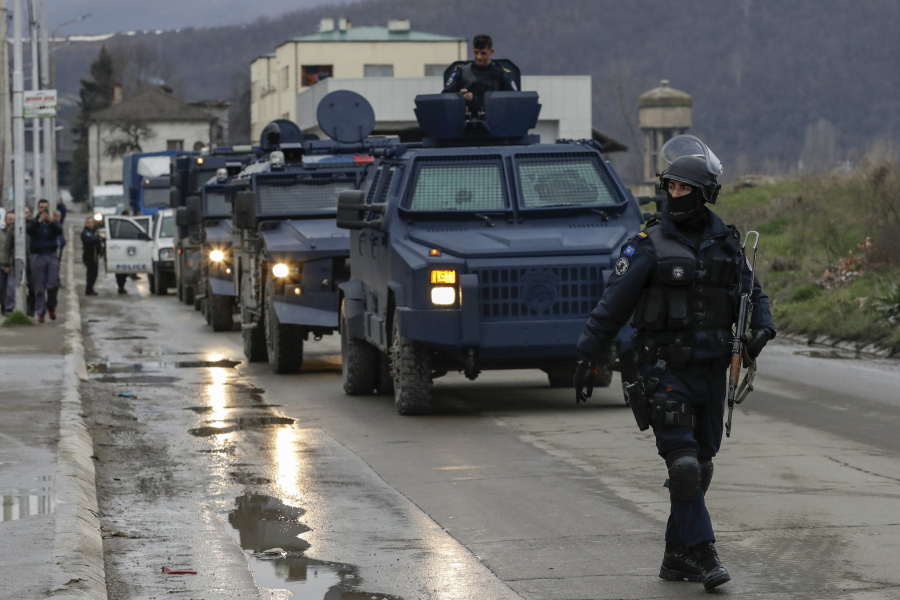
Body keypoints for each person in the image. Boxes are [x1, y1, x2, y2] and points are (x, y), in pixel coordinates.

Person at [573, 135, 775, 592]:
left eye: (685, 188)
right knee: (682, 467)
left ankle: (675, 555)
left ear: (704, 194)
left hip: (712, 372)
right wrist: (587, 355)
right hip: (663, 371)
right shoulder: (648, 244)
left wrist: (763, 329)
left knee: (700, 467)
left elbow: (753, 293)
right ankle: (705, 553)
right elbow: (612, 306)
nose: (675, 194)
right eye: (671, 186)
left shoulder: (727, 243)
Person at [442, 33, 517, 115]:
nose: (479, 57)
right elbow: (446, 97)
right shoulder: (462, 72)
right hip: (466, 119)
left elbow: (513, 99)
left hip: (495, 118)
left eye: (483, 53)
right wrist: (459, 97)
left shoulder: (501, 73)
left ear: (491, 52)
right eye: (476, 52)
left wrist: (474, 99)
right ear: (472, 49)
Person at [26, 199, 62, 322]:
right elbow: (29, 231)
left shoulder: (53, 221)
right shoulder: (33, 222)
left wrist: (50, 221)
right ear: (38, 209)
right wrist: (39, 221)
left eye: (45, 207)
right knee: (39, 286)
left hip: (51, 254)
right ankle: (40, 311)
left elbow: (59, 231)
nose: (43, 209)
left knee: (53, 284)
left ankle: (51, 305)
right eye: (41, 207)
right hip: (38, 255)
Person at [81, 217, 103, 296]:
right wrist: (98, 238)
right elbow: (90, 239)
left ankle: (91, 288)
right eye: (88, 222)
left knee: (94, 273)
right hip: (88, 255)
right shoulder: (85, 232)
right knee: (91, 273)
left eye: (91, 222)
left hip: (94, 256)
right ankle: (88, 289)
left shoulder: (93, 232)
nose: (90, 224)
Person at [0, 211, 14, 314]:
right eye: (10, 219)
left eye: (13, 219)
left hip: (12, 264)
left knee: (10, 288)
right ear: (5, 220)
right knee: (1, 287)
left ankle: (8, 308)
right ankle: (4, 306)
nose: (12, 221)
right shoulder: (1, 233)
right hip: (1, 264)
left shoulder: (17, 233)